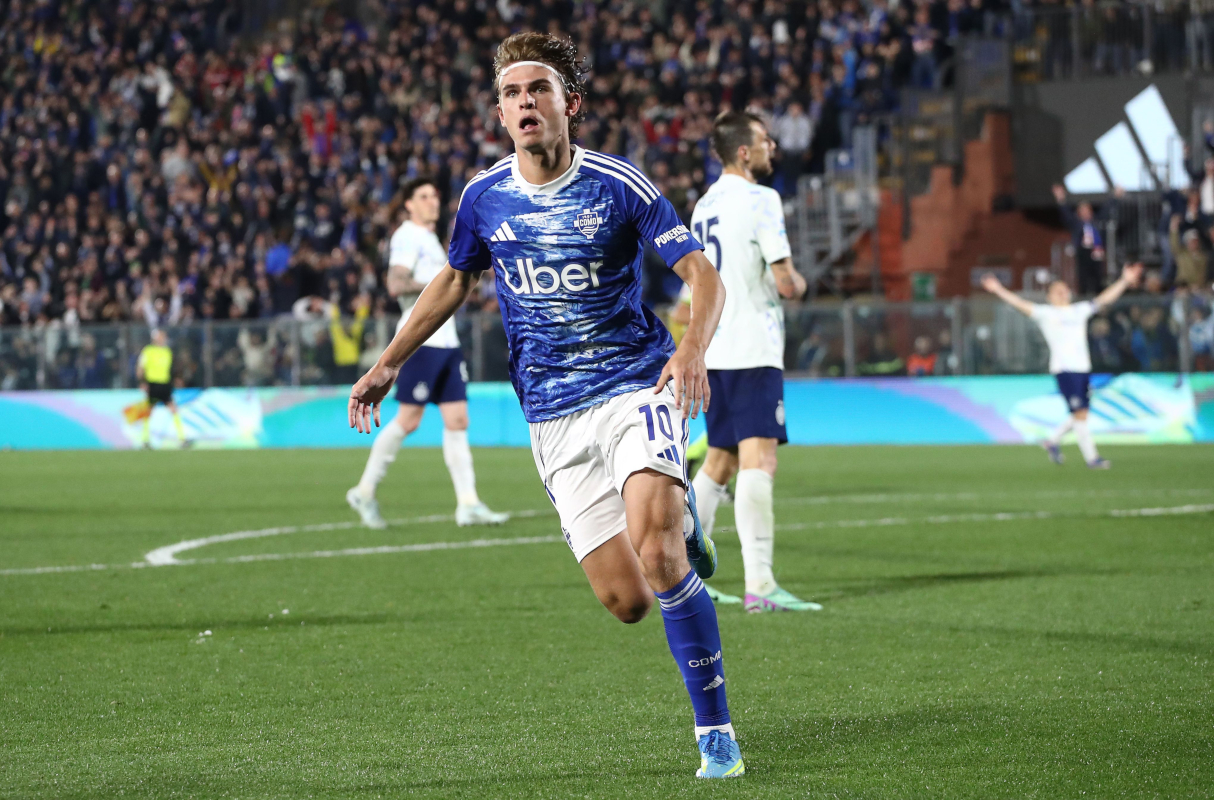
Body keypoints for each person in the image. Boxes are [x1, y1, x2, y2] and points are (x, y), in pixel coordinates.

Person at [347, 33, 743, 779]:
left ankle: (715, 733)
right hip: (553, 416)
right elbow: (454, 282)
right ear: (500, 113)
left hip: (636, 385)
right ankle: (685, 530)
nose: (523, 101)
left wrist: (691, 347)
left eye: (538, 89)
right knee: (627, 601)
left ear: (571, 105)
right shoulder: (483, 197)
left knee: (656, 553)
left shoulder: (620, 184)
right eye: (510, 93)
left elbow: (701, 272)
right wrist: (387, 362)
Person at [688, 110, 821, 614]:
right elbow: (786, 281)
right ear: (744, 152)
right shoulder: (762, 199)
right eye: (765, 141)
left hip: (715, 345)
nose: (771, 148)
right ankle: (761, 584)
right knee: (759, 459)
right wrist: (799, 286)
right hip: (752, 345)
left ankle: (686, 579)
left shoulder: (702, 206)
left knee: (719, 461)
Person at [347, 178, 508, 530]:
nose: (432, 202)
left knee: (457, 421)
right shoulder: (407, 235)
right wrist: (444, 284)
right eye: (423, 197)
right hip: (420, 340)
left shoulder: (431, 240)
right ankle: (364, 490)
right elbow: (395, 283)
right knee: (409, 419)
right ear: (408, 204)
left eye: (435, 196)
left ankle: (468, 504)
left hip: (446, 341)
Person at [982, 263, 1143, 468]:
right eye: (1057, 290)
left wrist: (1124, 281)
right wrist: (998, 289)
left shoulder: (1079, 310)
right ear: (1050, 297)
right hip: (1065, 370)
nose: (1063, 292)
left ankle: (1052, 441)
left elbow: (1104, 299)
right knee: (1080, 414)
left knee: (1080, 413)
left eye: (1064, 288)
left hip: (1083, 369)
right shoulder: (1046, 313)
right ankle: (1092, 459)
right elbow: (1020, 303)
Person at [1053, 183, 1122, 297]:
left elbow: (1106, 209)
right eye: (1083, 210)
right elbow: (1066, 213)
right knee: (1083, 278)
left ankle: (1099, 298)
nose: (1086, 212)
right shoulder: (1077, 224)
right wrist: (1061, 199)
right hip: (1083, 252)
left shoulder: (1096, 221)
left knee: (1098, 278)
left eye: (1087, 210)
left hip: (1096, 250)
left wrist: (1115, 197)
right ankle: (1083, 297)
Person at [135, 328, 189, 448]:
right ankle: (145, 440)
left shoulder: (167, 351)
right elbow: (140, 367)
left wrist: (176, 379)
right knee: (149, 411)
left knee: (173, 409)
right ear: (155, 338)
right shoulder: (148, 351)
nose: (164, 338)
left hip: (165, 384)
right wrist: (142, 382)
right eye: (161, 336)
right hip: (153, 384)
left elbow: (172, 368)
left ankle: (182, 438)